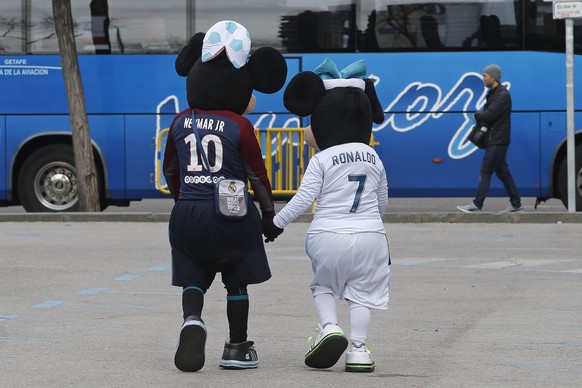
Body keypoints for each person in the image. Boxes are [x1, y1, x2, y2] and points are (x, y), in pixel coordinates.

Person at [163, 21, 286, 372]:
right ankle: (237, 347)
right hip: (232, 214)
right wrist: (267, 215)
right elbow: (257, 177)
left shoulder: (179, 122)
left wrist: (182, 200)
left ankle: (192, 320)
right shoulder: (240, 126)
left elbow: (170, 171)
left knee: (193, 275)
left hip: (188, 212)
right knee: (236, 279)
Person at [265, 59, 389, 372]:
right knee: (362, 295)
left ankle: (330, 327)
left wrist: (274, 224)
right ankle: (359, 350)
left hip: (329, 233)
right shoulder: (374, 156)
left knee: (324, 286)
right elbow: (382, 200)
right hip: (372, 236)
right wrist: (372, 223)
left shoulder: (324, 159)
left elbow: (304, 198)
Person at [457, 64, 522, 213]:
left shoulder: (502, 95)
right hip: (497, 139)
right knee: (503, 172)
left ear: (493, 77)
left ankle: (477, 204)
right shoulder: (494, 93)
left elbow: (489, 115)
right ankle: (516, 204)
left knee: (485, 170)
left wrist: (476, 115)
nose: (482, 78)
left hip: (497, 140)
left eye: (484, 76)